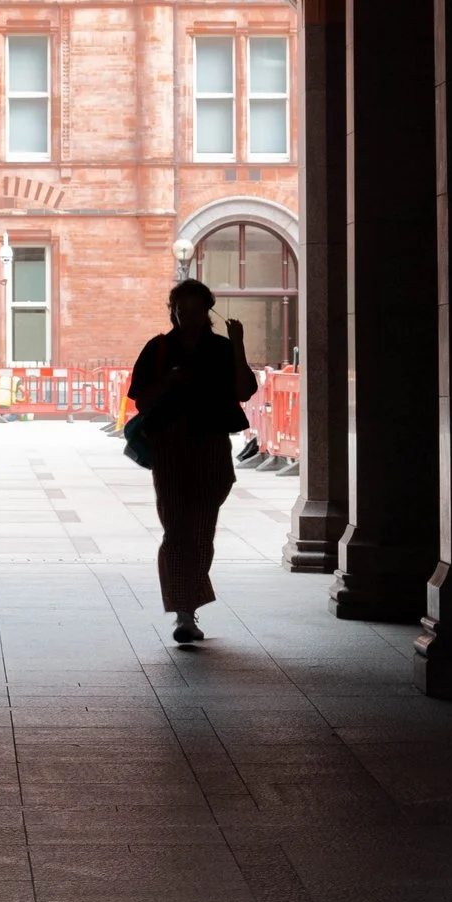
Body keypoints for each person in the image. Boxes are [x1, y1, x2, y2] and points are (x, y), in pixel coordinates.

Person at [126, 276, 258, 645]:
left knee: (201, 531)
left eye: (195, 311)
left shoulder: (220, 349)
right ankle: (184, 612)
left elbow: (244, 390)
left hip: (211, 445)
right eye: (180, 312)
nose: (187, 318)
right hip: (170, 446)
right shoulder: (159, 349)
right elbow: (141, 398)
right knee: (176, 529)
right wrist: (170, 381)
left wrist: (238, 346)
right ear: (173, 312)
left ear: (207, 311)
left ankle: (187, 605)